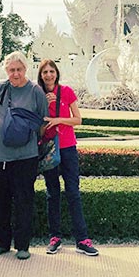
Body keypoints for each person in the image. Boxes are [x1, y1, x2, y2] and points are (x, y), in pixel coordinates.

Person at [0, 51, 49, 260]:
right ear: (6, 70)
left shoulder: (35, 91)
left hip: (26, 155)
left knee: (24, 200)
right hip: (0, 155)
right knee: (1, 199)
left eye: (19, 69)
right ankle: (0, 243)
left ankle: (23, 245)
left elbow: (43, 120)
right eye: (12, 70)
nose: (15, 74)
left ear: (25, 69)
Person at [38, 59, 99, 257]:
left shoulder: (67, 91)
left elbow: (78, 119)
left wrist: (58, 119)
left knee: (73, 192)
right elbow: (36, 124)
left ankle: (82, 239)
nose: (48, 75)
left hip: (68, 148)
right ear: (40, 74)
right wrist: (44, 108)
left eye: (51, 71)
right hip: (48, 148)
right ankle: (55, 237)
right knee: (52, 193)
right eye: (45, 72)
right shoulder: (38, 94)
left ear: (57, 73)